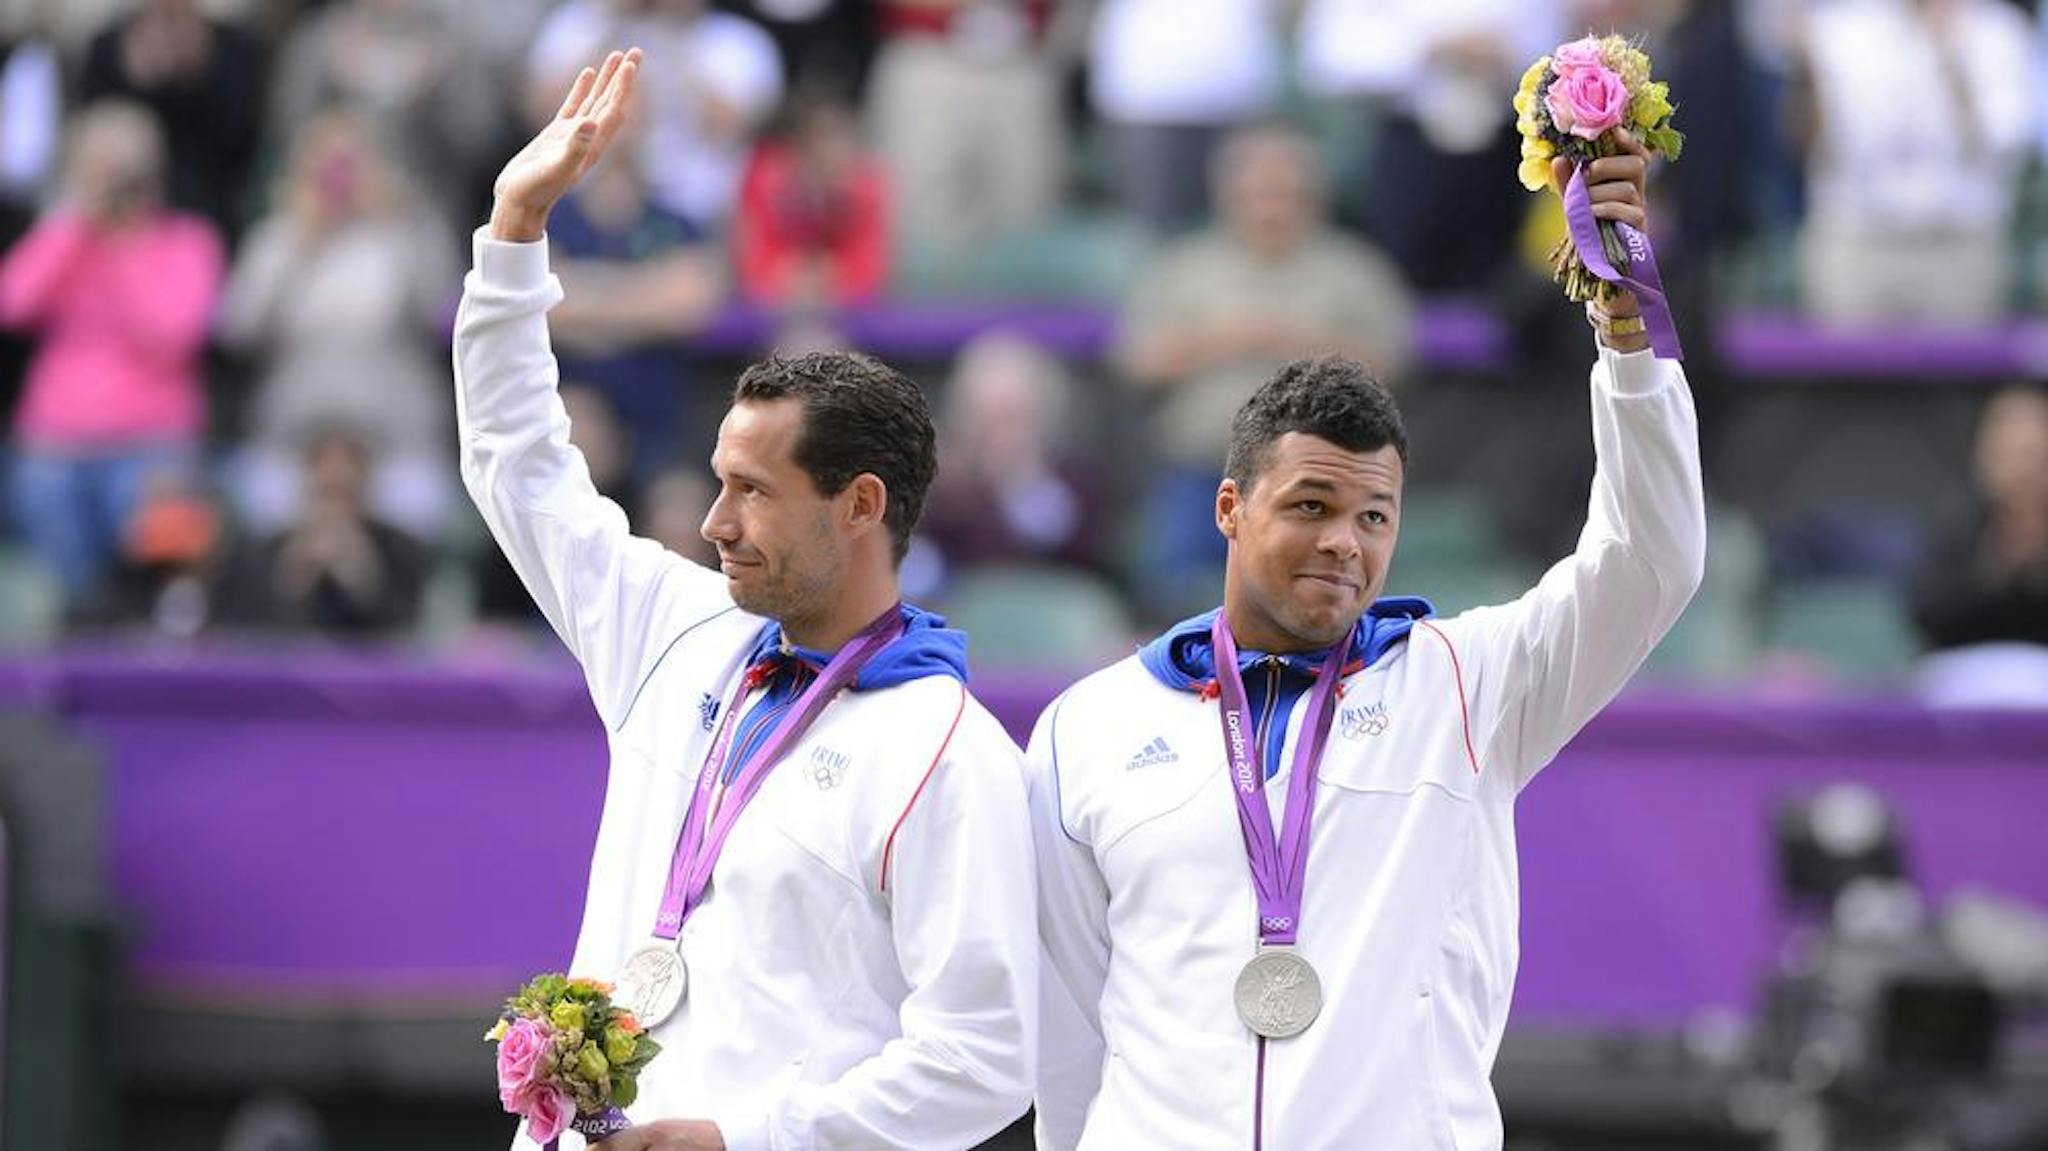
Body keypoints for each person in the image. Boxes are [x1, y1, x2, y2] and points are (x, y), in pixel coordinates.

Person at [1027, 133, 1705, 1150]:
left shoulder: (1469, 686)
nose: (1344, 543)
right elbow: (1068, 1026)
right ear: (1227, 506)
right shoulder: (1086, 728)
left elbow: (1651, 558)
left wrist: (1624, 324)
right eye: (1310, 504)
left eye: (1374, 517)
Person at [457, 50, 1035, 1150]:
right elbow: (517, 465)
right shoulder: (673, 630)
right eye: (717, 482)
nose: (714, 522)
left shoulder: (950, 752)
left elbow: (984, 1054)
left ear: (858, 504)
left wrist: (751, 1138)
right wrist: (514, 234)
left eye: (753, 492)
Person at [0, 100, 223, 615]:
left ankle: (134, 635)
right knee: (42, 492)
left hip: (151, 440)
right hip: (56, 441)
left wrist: (126, 249)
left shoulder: (187, 242)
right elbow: (14, 302)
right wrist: (75, 226)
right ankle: (76, 631)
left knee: (160, 519)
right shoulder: (63, 238)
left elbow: (175, 334)